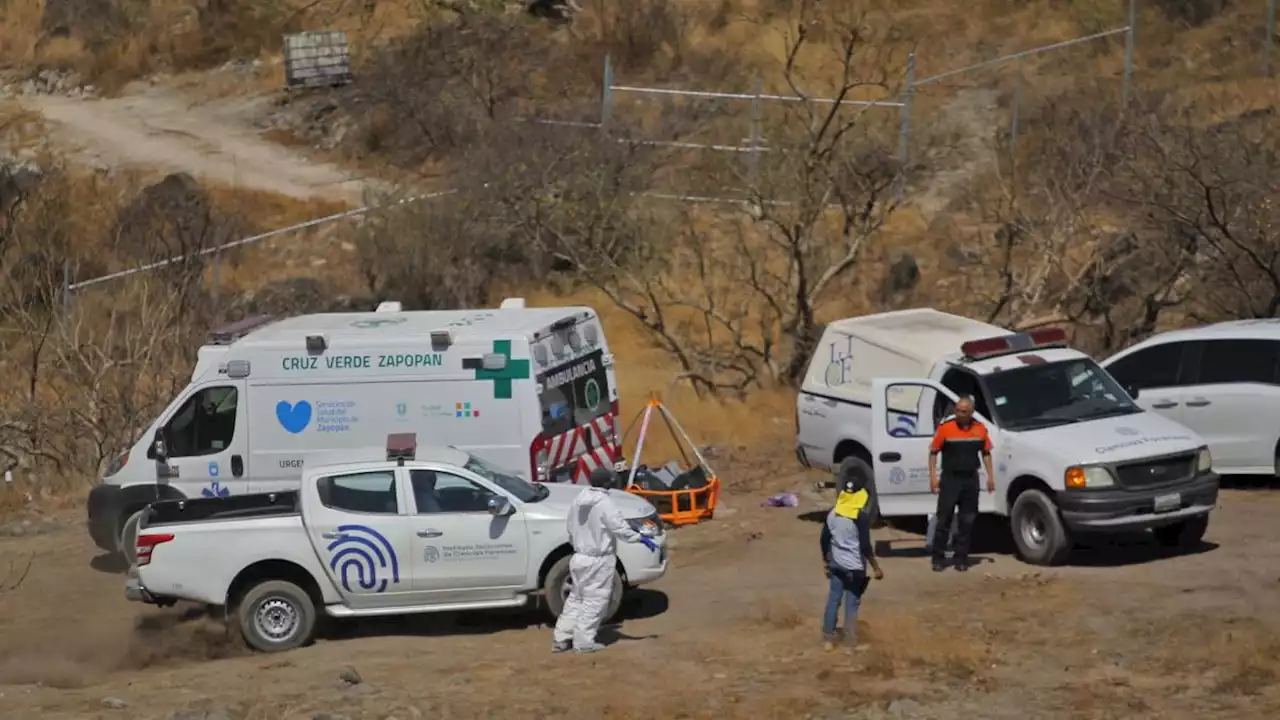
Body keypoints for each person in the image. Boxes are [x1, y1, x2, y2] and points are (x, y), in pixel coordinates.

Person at [552, 466, 659, 654]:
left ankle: (562, 637)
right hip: (598, 559)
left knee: (576, 598)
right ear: (608, 482)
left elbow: (570, 527)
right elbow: (619, 528)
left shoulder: (579, 499)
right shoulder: (604, 503)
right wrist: (639, 538)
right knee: (595, 600)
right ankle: (583, 642)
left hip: (579, 556)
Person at [927, 395, 995, 572]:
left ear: (971, 413)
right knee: (944, 520)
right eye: (957, 410)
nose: (959, 414)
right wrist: (933, 477)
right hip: (951, 479)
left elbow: (986, 452)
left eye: (963, 411)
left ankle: (961, 558)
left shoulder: (980, 430)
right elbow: (933, 452)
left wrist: (990, 476)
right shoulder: (946, 429)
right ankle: (938, 557)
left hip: (970, 479)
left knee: (967, 521)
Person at [820, 469, 884, 650]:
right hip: (855, 567)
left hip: (836, 563)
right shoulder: (860, 517)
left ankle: (828, 635)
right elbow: (865, 546)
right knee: (852, 601)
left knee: (834, 598)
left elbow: (824, 539)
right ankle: (850, 639)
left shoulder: (832, 514)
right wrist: (876, 567)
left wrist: (825, 560)